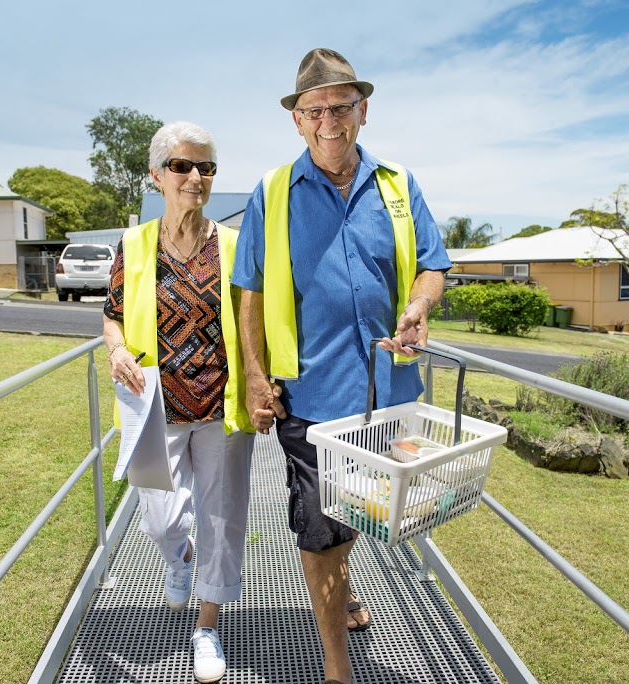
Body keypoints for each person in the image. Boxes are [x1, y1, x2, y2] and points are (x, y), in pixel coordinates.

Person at [232, 48, 451, 684]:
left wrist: (418, 304)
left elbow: (433, 265)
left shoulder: (398, 185)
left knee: (365, 512)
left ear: (364, 111)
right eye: (315, 109)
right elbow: (249, 290)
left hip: (392, 393)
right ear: (296, 121)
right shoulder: (271, 193)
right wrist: (253, 374)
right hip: (312, 397)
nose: (330, 119)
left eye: (342, 105)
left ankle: (341, 592)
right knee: (322, 531)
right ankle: (336, 668)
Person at [103, 121, 255, 684]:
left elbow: (253, 322)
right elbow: (113, 315)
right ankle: (179, 557)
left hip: (222, 407)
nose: (196, 177)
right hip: (157, 406)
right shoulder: (134, 244)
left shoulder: (237, 247)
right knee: (161, 519)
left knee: (223, 517)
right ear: (157, 175)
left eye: (207, 167)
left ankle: (207, 626)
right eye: (183, 166)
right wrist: (117, 350)